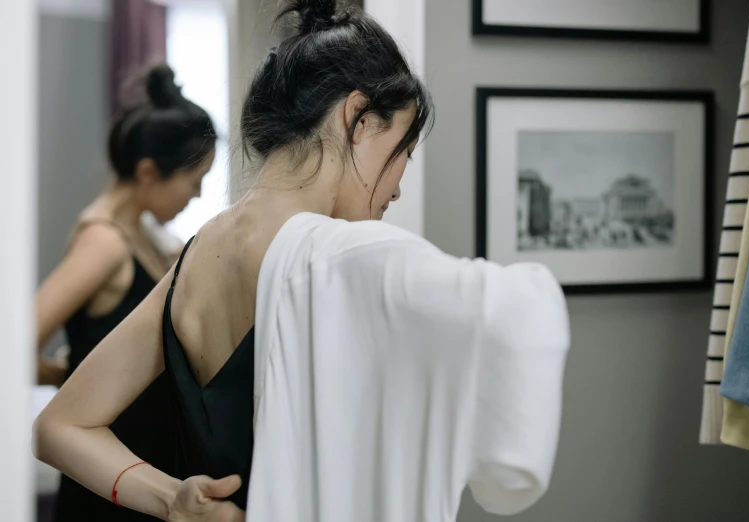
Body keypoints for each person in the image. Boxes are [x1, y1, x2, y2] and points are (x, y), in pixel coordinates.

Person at [34, 2, 571, 521]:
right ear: (358, 119)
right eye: (403, 151)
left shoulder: (191, 260)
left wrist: (172, 500)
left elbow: (60, 426)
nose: (399, 189)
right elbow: (519, 318)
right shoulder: (336, 257)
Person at [36, 64, 216, 521]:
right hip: (104, 476)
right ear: (149, 171)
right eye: (193, 183)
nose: (195, 197)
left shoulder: (148, 237)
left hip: (143, 464)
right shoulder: (104, 241)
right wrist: (66, 376)